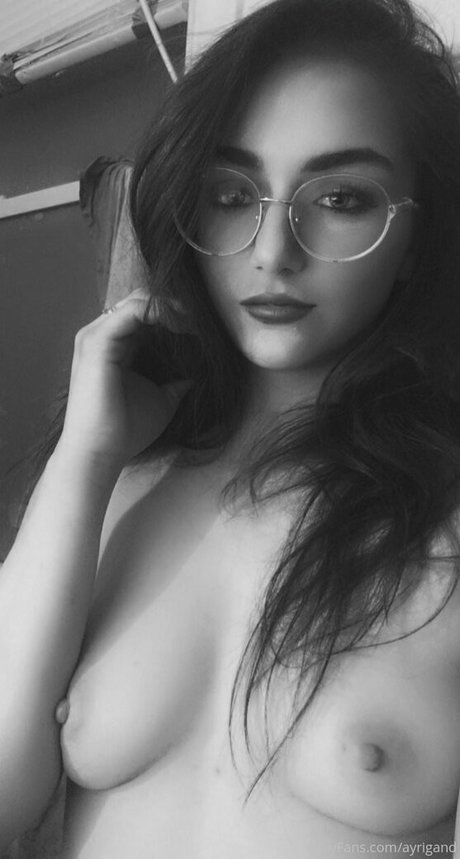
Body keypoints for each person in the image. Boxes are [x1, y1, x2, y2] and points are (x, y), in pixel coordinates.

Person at [2, 0, 460, 855]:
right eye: (230, 193)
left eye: (341, 197)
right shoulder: (117, 482)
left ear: (418, 233)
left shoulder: (443, 524)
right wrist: (84, 458)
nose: (273, 250)